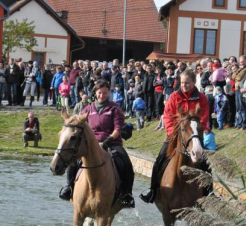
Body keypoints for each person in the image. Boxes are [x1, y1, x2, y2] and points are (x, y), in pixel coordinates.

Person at [59, 80, 135, 208]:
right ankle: (69, 187)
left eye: (105, 93)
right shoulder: (88, 109)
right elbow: (79, 125)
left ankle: (127, 194)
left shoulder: (115, 108)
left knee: (126, 163)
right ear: (95, 93)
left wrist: (107, 142)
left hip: (112, 143)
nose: (102, 95)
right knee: (74, 161)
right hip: (91, 145)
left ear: (109, 93)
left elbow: (118, 129)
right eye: (100, 93)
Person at [140, 69, 210, 203]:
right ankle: (153, 190)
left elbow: (204, 117)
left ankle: (209, 194)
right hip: (175, 136)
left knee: (206, 164)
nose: (184, 86)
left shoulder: (201, 98)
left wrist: (196, 130)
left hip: (193, 135)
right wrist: (174, 132)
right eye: (182, 83)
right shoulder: (173, 97)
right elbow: (167, 116)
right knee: (160, 159)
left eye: (187, 83)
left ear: (194, 82)